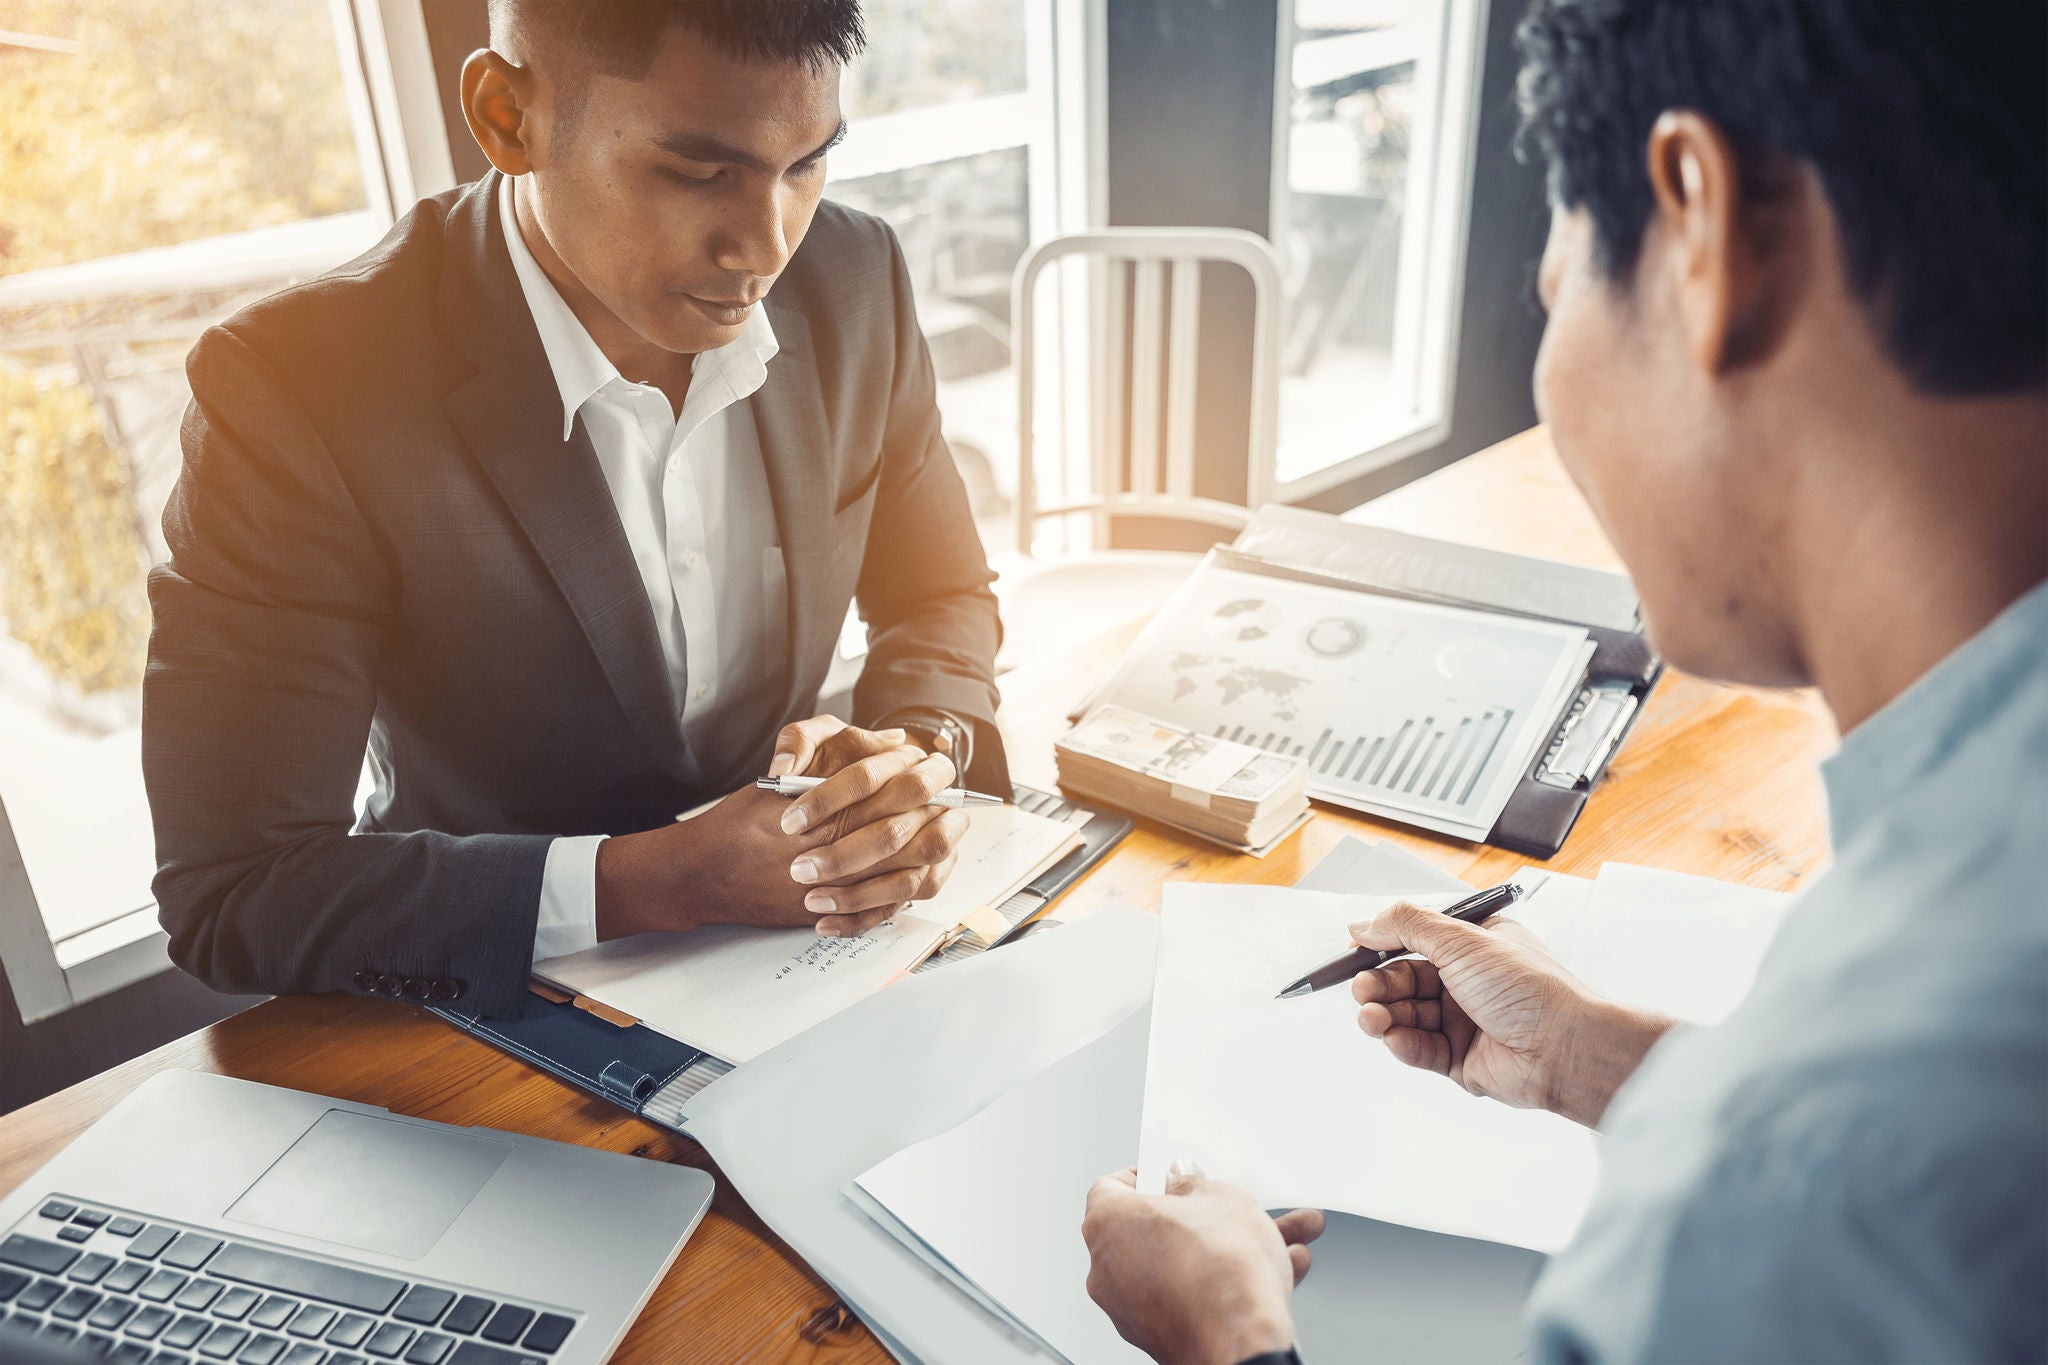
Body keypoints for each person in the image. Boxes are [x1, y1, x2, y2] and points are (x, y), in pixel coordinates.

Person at [1080, 1, 2047, 1361]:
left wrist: (1232, 1339)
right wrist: (1587, 1052)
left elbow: (1839, 1177)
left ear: (1705, 235)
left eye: (1555, 290)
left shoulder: (1792, 1186)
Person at [143, 0, 1010, 1020]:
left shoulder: (856, 280)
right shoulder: (297, 388)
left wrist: (912, 754)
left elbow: (940, 594)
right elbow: (234, 889)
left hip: (813, 967)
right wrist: (663, 880)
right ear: (508, 116)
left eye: (806, 164)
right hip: (486, 1000)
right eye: (699, 173)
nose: (765, 246)